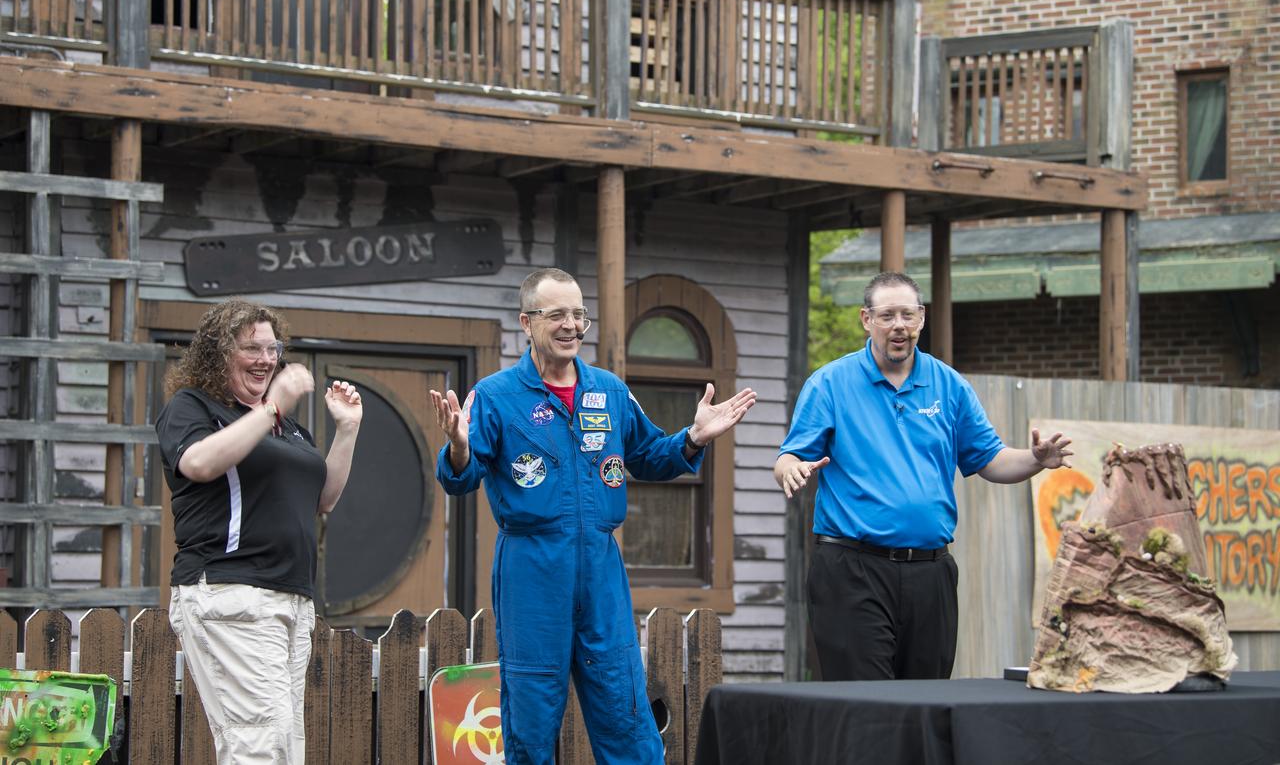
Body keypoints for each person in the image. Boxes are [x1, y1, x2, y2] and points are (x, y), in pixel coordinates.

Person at [430, 268, 756, 765]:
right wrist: (457, 444)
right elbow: (462, 476)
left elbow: (650, 455)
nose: (570, 325)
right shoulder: (496, 396)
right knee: (532, 720)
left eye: (578, 313)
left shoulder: (609, 390)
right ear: (527, 322)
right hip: (532, 569)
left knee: (623, 707)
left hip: (602, 568)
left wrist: (693, 437)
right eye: (556, 313)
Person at [774, 271, 1072, 682]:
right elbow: (788, 456)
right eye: (887, 315)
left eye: (908, 315)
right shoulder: (830, 384)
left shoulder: (949, 386)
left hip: (930, 573)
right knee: (867, 704)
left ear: (922, 319)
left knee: (925, 700)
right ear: (866, 319)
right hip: (852, 569)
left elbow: (991, 460)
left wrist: (1037, 459)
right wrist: (791, 468)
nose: (899, 325)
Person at [155, 299, 363, 764]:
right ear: (218, 353)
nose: (267, 359)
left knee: (284, 748)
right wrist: (271, 408)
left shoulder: (288, 428)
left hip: (290, 599)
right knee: (258, 748)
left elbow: (322, 500)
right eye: (252, 348)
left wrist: (347, 431)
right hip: (231, 592)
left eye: (273, 348)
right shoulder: (193, 407)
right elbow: (200, 462)